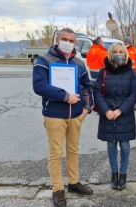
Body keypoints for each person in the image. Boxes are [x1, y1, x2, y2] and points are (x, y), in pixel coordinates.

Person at [32, 28, 93, 207]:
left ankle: (73, 183)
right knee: (56, 154)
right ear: (57, 40)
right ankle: (58, 190)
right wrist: (65, 96)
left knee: (73, 150)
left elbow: (87, 87)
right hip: (54, 115)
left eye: (71, 40)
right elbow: (39, 86)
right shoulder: (44, 60)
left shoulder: (79, 63)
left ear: (75, 43)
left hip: (75, 116)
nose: (68, 43)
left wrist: (87, 108)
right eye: (64, 39)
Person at [93, 42, 136, 191]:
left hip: (124, 114)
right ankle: (114, 173)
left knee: (125, 145)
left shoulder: (131, 72)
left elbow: (135, 93)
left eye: (121, 51)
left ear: (125, 54)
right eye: (115, 51)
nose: (118, 54)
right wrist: (106, 110)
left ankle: (123, 174)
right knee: (111, 145)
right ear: (111, 54)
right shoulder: (103, 71)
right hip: (107, 113)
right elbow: (97, 92)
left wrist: (120, 110)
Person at [123, 37, 136, 111]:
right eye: (124, 42)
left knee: (133, 89)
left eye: (126, 42)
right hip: (123, 73)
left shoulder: (135, 51)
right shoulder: (122, 50)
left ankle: (134, 104)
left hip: (132, 74)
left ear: (130, 43)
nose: (124, 43)